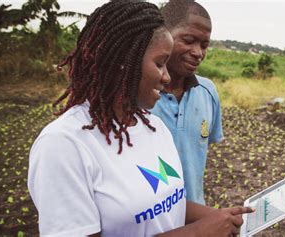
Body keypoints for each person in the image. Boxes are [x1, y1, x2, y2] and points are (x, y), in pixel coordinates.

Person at [27, 1, 253, 236]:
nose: (166, 78)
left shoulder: (154, 127)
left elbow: (166, 204)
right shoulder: (64, 144)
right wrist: (198, 233)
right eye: (159, 64)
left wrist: (221, 218)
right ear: (123, 63)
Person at [151, 0, 222, 205]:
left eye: (204, 45)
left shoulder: (207, 92)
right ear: (163, 35)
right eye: (189, 40)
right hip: (151, 222)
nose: (198, 52)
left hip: (195, 216)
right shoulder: (138, 96)